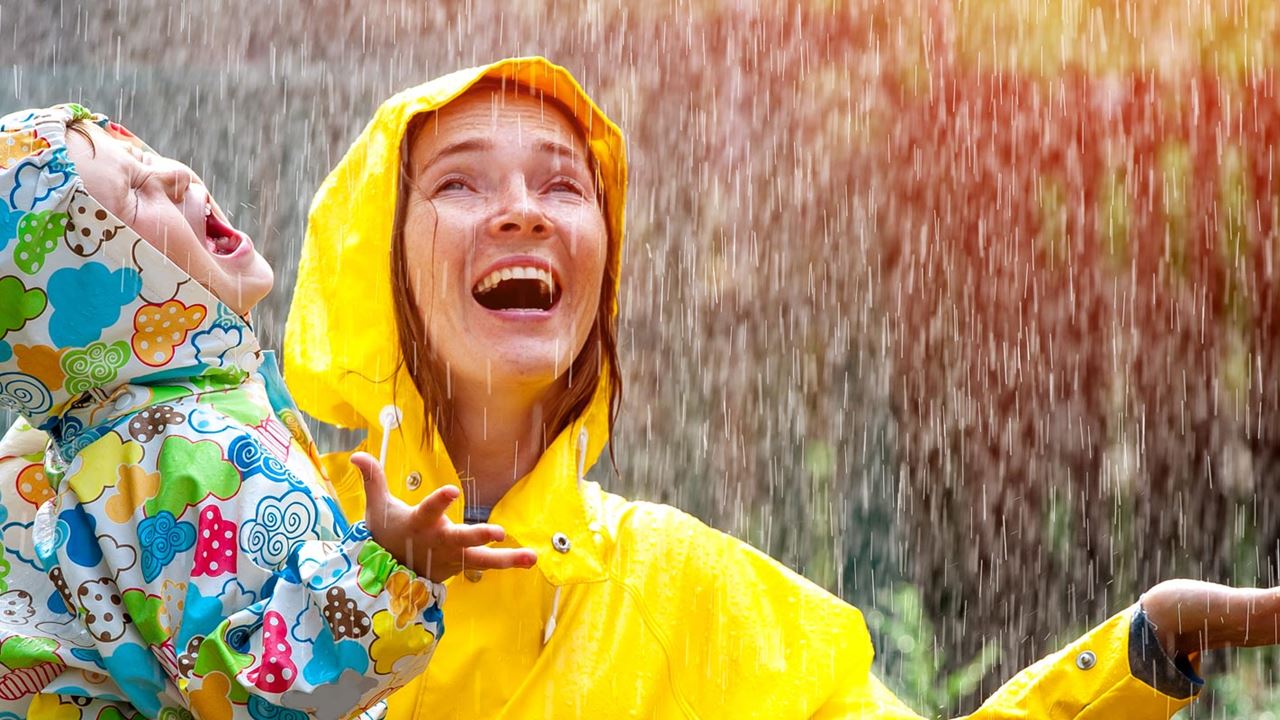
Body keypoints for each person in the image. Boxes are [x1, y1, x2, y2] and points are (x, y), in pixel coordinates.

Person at [285, 58, 1280, 718]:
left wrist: (1142, 650)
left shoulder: (689, 593)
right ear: (379, 258)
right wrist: (363, 598)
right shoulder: (257, 531)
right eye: (461, 182)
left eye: (561, 185)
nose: (521, 214)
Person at [0, 104, 534, 719]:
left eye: (145, 156)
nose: (174, 173)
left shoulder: (72, 443)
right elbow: (253, 691)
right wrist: (388, 575)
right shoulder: (185, 452)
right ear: (95, 292)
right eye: (133, 194)